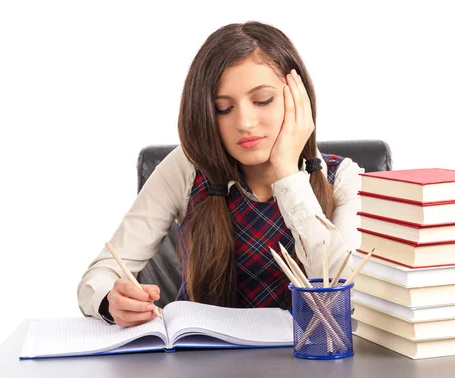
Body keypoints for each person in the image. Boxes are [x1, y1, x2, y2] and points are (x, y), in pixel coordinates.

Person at [77, 21, 365, 328]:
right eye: (223, 109)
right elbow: (99, 276)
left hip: (311, 366)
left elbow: (350, 297)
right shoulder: (188, 167)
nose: (245, 123)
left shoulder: (343, 177)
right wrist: (111, 300)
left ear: (298, 98)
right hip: (202, 367)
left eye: (262, 100)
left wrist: (287, 174)